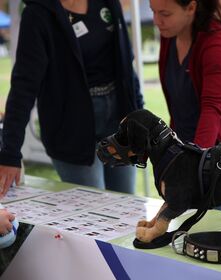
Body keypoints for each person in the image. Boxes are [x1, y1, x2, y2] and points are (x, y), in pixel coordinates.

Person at [0, 0, 144, 198]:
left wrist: (138, 115)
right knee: (92, 210)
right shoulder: (38, 14)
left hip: (119, 121)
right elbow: (24, 86)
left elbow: (126, 63)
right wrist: (10, 154)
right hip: (71, 128)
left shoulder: (108, 3)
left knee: (127, 205)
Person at [151, 0, 221, 150]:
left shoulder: (218, 43)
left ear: (190, 7)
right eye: (153, 11)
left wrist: (195, 160)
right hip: (186, 145)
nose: (156, 21)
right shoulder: (170, 34)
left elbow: (212, 108)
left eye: (165, 14)